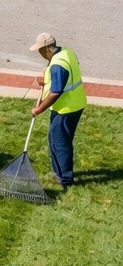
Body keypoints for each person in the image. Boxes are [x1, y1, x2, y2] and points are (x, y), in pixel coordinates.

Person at [30, 32, 87, 188]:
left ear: (48, 48)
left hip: (66, 108)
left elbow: (56, 92)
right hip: (76, 103)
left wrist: (38, 109)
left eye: (40, 50)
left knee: (60, 143)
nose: (40, 54)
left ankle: (65, 178)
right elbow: (65, 76)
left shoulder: (57, 65)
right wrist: (47, 81)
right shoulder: (66, 52)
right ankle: (59, 173)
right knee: (56, 140)